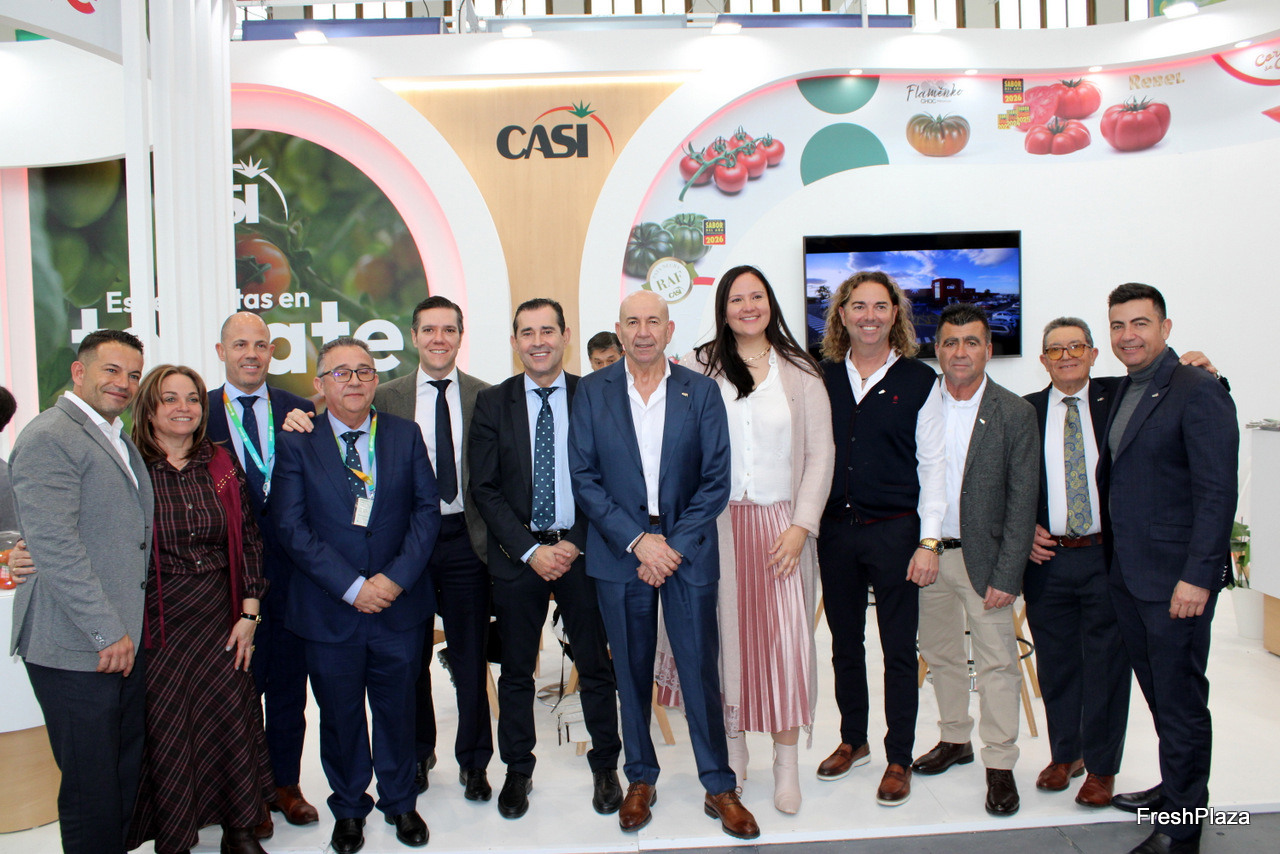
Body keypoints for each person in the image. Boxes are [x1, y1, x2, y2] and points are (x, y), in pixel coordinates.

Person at [569, 289, 759, 840]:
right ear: (619, 330)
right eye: (633, 322)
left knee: (700, 671)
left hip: (686, 550)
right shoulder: (594, 392)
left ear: (670, 329)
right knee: (629, 672)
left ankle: (719, 784)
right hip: (620, 552)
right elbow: (584, 478)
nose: (643, 331)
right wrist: (638, 542)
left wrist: (667, 545)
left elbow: (716, 481)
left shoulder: (701, 391)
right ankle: (640, 778)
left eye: (654, 321)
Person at [654, 266, 833, 814]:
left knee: (784, 648)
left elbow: (820, 454)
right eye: (737, 298)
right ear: (723, 308)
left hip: (783, 530)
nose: (748, 306)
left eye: (757, 296)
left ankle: (786, 765)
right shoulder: (697, 367)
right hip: (717, 528)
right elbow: (677, 448)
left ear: (770, 303)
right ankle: (732, 756)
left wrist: (802, 525)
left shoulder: (801, 371)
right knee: (724, 643)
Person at [272, 337, 441, 854]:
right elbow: (291, 526)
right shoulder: (298, 441)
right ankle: (348, 808)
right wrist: (351, 588)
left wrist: (393, 580)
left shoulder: (404, 434)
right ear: (319, 384)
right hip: (329, 610)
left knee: (398, 711)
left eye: (364, 371)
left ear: (376, 380)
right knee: (341, 717)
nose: (354, 381)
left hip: (397, 606)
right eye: (341, 372)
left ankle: (400, 802)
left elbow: (425, 512)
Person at [468, 298, 622, 820]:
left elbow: (610, 478)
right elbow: (485, 489)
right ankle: (518, 769)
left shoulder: (595, 395)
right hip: (520, 556)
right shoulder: (493, 402)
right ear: (515, 342)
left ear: (565, 336)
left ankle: (606, 765)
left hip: (584, 551)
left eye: (547, 331)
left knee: (595, 665)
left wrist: (574, 542)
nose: (538, 342)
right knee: (516, 671)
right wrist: (532, 551)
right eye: (528, 333)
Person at [1102, 284, 1237, 854]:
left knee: (1181, 702)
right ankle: (1175, 789)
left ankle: (1183, 829)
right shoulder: (1123, 389)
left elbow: (1217, 492)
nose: (1127, 335)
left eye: (1140, 323)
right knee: (1161, 695)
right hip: (1130, 576)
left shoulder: (1196, 388)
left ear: (1165, 327)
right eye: (1118, 325)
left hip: (1176, 581)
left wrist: (1199, 576)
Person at [8, 329, 153, 854]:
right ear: (78, 371)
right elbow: (56, 546)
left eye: (132, 375)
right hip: (76, 644)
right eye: (111, 370)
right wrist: (105, 631)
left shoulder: (115, 435)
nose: (123, 383)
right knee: (90, 788)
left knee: (118, 774)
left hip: (117, 642)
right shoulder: (50, 436)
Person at [124, 364, 272, 854]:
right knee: (170, 725)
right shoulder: (130, 467)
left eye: (191, 397)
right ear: (149, 408)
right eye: (170, 398)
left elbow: (249, 540)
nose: (184, 407)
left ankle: (240, 828)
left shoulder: (221, 463)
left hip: (220, 613)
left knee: (231, 719)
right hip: (158, 620)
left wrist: (249, 616)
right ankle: (176, 835)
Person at [813, 271, 944, 808]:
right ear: (842, 314)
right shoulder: (820, 375)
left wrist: (929, 542)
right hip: (835, 533)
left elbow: (933, 466)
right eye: (859, 306)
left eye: (880, 306)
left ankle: (898, 756)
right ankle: (854, 740)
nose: (869, 316)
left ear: (895, 314)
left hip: (896, 533)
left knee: (897, 650)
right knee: (844, 644)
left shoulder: (920, 380)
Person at [911, 304, 1037, 818]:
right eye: (949, 342)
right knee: (940, 655)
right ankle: (954, 738)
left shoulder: (1014, 412)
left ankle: (1000, 763)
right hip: (930, 557)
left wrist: (1009, 573)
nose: (959, 352)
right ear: (936, 349)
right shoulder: (920, 403)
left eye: (970, 342)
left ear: (988, 348)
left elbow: (1023, 502)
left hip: (986, 562)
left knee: (997, 665)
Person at [374, 295, 495, 801]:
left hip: (468, 541)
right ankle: (419, 753)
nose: (438, 338)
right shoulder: (386, 397)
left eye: (448, 329)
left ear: (460, 336)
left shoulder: (485, 396)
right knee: (410, 659)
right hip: (408, 546)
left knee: (470, 660)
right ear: (414, 336)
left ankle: (475, 761)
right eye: (429, 329)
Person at [207, 311, 319, 837]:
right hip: (225, 577)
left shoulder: (301, 410)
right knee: (236, 688)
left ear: (272, 351)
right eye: (239, 344)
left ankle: (285, 785)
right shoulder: (199, 412)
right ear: (221, 351)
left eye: (260, 344)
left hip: (294, 574)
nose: (250, 354)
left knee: (290, 686)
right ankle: (242, 791)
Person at [1023, 317, 1131, 808]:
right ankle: (1066, 754)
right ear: (1043, 360)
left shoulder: (1121, 398)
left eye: (1075, 347)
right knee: (1057, 664)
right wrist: (1023, 529)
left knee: (1107, 665)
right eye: (1055, 349)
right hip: (1048, 560)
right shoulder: (1025, 411)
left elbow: (1172, 386)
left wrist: (1204, 368)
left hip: (1107, 556)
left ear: (1093, 354)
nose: (1065, 356)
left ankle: (1103, 768)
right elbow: (1002, 481)